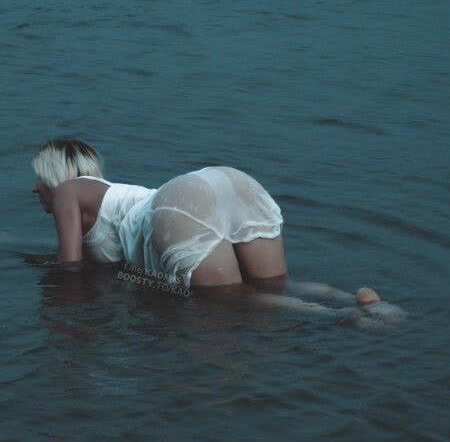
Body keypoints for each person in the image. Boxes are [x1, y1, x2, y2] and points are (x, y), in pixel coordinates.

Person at [29, 138, 404, 326]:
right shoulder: (108, 194)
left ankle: (341, 317)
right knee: (272, 286)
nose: (35, 189)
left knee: (232, 299)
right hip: (230, 183)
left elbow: (70, 268)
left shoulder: (66, 192)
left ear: (54, 177)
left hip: (178, 205)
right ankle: (360, 300)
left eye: (39, 179)